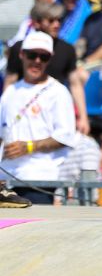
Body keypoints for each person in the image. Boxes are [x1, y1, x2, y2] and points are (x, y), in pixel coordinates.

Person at [0, 32, 79, 205]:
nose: (37, 61)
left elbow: (65, 136)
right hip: (6, 179)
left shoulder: (58, 92)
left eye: (43, 57)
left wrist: (29, 146)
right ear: (22, 55)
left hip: (38, 178)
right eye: (32, 55)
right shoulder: (10, 92)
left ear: (50, 59)